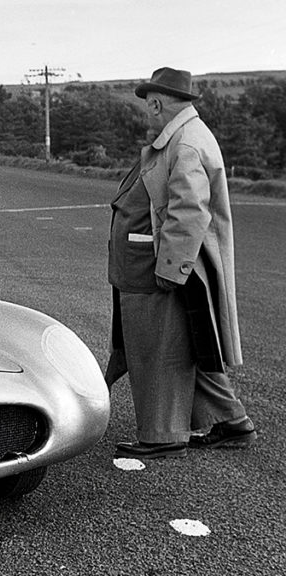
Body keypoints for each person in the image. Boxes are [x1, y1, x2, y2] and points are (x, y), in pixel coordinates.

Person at [107, 67, 254, 459]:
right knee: (190, 344)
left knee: (161, 349)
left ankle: (162, 434)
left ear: (156, 103)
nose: (147, 112)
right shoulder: (184, 135)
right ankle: (231, 421)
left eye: (148, 106)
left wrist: (171, 268)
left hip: (165, 267)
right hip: (165, 263)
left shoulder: (184, 143)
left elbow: (188, 211)